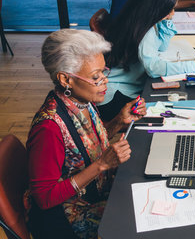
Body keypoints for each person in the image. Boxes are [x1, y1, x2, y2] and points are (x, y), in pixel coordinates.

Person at [27, 29, 147, 239]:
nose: (104, 81)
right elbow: (44, 198)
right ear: (66, 79)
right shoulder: (48, 128)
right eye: (95, 77)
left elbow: (84, 146)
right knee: (139, 217)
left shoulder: (81, 102)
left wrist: (120, 120)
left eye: (103, 72)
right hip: (68, 216)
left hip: (96, 192)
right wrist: (102, 164)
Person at [99, 0, 195, 121]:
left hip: (128, 86)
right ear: (156, 8)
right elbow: (153, 68)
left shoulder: (144, 18)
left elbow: (162, 47)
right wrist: (192, 65)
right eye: (169, 9)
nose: (173, 13)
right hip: (115, 95)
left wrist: (167, 20)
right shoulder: (145, 31)